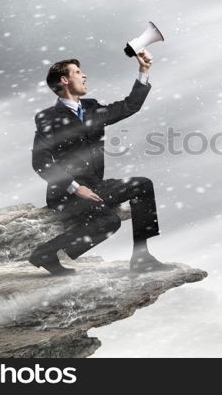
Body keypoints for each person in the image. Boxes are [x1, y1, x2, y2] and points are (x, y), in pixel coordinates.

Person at [29, 50, 175, 276]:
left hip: (96, 185)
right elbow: (40, 161)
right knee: (109, 221)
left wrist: (143, 71)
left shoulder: (92, 108)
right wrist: (76, 188)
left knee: (142, 185)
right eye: (78, 72)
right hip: (65, 193)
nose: (84, 76)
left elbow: (129, 106)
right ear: (64, 80)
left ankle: (141, 257)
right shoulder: (46, 117)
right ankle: (45, 253)